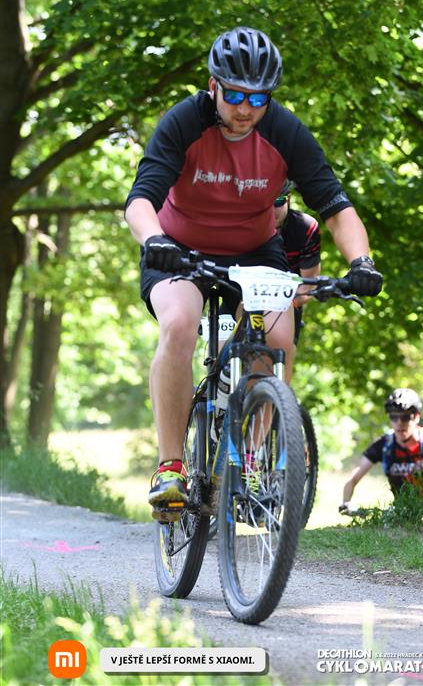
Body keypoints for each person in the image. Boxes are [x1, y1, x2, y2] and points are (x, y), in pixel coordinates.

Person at [124, 26, 383, 513]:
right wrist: (154, 239)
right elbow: (141, 199)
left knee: (278, 338)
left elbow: (335, 205)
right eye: (235, 95)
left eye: (258, 98)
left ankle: (247, 460)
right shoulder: (184, 122)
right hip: (177, 249)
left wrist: (361, 262)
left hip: (254, 252)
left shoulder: (284, 131)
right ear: (213, 86)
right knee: (179, 323)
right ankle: (171, 467)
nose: (246, 108)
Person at [339, 388, 423, 514]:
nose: (399, 422)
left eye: (406, 417)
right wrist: (346, 503)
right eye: (393, 417)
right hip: (404, 512)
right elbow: (352, 478)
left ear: (417, 417)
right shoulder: (385, 445)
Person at [273, 180, 321, 347]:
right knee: (220, 352)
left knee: (284, 352)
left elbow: (309, 286)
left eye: (278, 201)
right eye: (264, 202)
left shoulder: (304, 228)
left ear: (288, 198)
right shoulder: (243, 224)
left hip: (286, 300)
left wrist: (284, 304)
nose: (271, 210)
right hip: (239, 296)